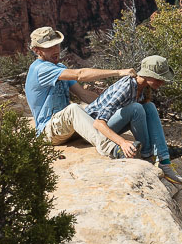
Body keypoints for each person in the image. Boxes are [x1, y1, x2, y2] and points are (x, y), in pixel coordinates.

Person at [24, 26, 140, 160]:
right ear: (36, 50)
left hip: (68, 128)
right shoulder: (40, 69)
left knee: (129, 109)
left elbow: (83, 95)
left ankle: (152, 150)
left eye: (56, 45)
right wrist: (119, 72)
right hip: (48, 131)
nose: (56, 50)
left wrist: (111, 105)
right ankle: (112, 149)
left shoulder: (60, 68)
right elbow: (80, 74)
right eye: (49, 47)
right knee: (74, 109)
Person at [84, 55, 182, 184]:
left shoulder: (142, 88)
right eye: (159, 79)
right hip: (92, 132)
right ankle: (147, 155)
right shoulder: (126, 87)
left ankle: (164, 161)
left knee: (149, 107)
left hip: (108, 126)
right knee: (136, 109)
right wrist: (122, 143)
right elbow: (98, 123)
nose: (162, 83)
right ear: (147, 75)